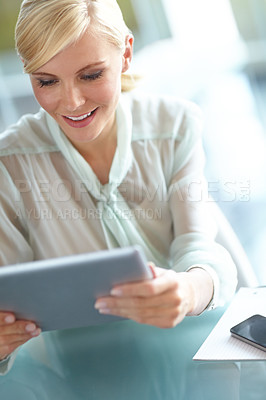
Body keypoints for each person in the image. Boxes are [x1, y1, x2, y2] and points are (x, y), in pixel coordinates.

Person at [0, 0, 237, 377]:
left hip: (202, 354)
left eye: (91, 75)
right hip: (89, 375)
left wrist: (189, 290)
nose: (72, 102)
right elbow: (8, 296)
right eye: (46, 81)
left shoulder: (173, 125)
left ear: (125, 54)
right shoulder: (8, 164)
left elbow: (201, 246)